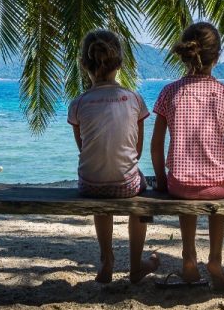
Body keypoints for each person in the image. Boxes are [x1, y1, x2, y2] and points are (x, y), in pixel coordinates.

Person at [151, 21, 224, 291]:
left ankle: (189, 255)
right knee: (217, 189)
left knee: (185, 185)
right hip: (217, 187)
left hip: (179, 185)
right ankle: (215, 259)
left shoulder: (169, 92)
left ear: (185, 55)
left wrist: (161, 180)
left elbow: (156, 144)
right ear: (216, 57)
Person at [67, 29, 160, 284]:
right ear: (119, 63)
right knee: (139, 192)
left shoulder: (78, 103)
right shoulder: (134, 99)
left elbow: (84, 148)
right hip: (126, 186)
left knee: (101, 184)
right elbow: (136, 151)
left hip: (90, 186)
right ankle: (135, 264)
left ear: (84, 64)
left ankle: (107, 261)